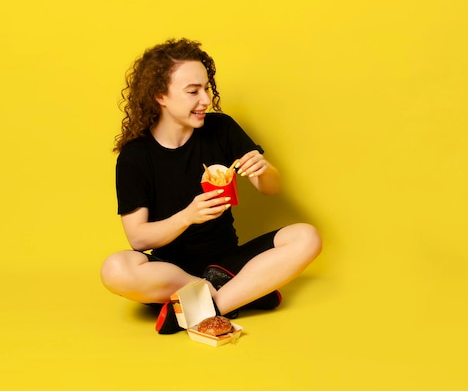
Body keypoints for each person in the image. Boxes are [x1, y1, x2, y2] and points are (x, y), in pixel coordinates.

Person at [100, 38, 322, 334]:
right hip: (173, 273)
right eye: (193, 91)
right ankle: (246, 291)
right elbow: (139, 240)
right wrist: (188, 215)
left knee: (306, 236)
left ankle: (207, 307)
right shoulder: (135, 157)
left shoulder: (222, 129)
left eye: (206, 88)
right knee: (114, 269)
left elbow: (269, 188)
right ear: (160, 96)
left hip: (228, 261)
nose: (205, 99)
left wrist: (264, 169)